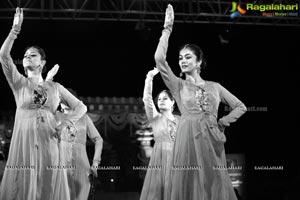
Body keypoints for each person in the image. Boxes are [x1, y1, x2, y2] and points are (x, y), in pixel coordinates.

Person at [154, 4, 247, 200]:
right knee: (188, 181)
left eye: (188, 57)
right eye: (180, 58)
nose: (182, 61)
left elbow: (241, 107)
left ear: (198, 62)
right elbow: (159, 58)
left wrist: (222, 122)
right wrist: (167, 28)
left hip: (211, 138)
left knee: (214, 182)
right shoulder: (177, 85)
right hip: (187, 137)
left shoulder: (215, 86)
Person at [0, 8, 87, 200]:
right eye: (25, 56)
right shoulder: (18, 83)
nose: (27, 57)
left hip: (49, 140)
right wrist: (15, 30)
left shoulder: (55, 87)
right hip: (24, 143)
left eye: (33, 55)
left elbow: (81, 107)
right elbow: (4, 55)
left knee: (47, 184)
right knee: (23, 184)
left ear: (42, 62)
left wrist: (65, 122)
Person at [56, 88, 103, 200]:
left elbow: (98, 139)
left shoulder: (84, 117)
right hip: (61, 163)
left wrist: (95, 163)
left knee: (82, 195)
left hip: (82, 164)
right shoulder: (55, 116)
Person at [140, 68, 180, 200]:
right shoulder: (155, 117)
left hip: (179, 159)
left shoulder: (181, 120)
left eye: (165, 99)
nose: (161, 101)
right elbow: (147, 99)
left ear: (173, 102)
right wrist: (149, 77)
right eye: (159, 99)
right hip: (161, 158)